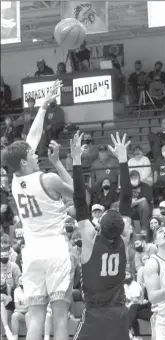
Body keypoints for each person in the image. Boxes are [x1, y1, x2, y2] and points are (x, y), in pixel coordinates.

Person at [2, 80, 74, 340]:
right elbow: (78, 194)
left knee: (35, 318)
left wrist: (43, 106)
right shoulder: (48, 179)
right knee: (59, 317)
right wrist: (61, 163)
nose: (36, 155)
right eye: (31, 156)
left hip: (31, 252)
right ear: (24, 161)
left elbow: (31, 138)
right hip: (55, 249)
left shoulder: (14, 181)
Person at [71, 131, 132, 340]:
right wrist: (123, 160)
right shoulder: (124, 238)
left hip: (95, 315)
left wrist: (76, 160)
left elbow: (80, 200)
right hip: (119, 312)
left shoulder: (90, 239)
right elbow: (126, 198)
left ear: (100, 224)